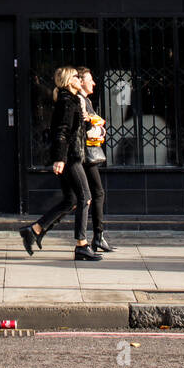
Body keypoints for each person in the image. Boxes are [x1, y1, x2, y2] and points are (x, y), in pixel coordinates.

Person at [19, 67, 101, 261]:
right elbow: (62, 132)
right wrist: (60, 159)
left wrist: (87, 122)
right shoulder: (66, 101)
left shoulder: (71, 100)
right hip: (70, 158)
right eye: (75, 76)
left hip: (70, 156)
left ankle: (34, 230)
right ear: (68, 81)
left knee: (71, 200)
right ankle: (81, 244)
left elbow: (76, 128)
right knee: (85, 197)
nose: (79, 79)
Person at [77, 67, 115, 253]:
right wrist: (99, 130)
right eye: (89, 79)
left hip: (86, 153)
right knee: (95, 194)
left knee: (80, 197)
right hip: (85, 154)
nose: (93, 83)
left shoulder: (86, 100)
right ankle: (97, 237)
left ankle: (38, 229)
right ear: (81, 81)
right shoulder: (80, 101)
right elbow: (85, 128)